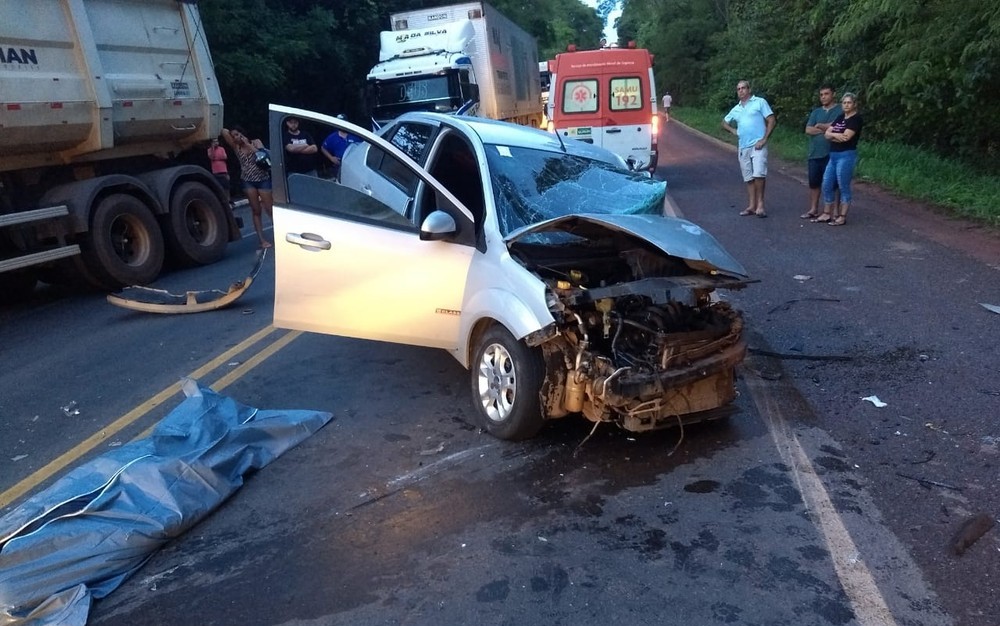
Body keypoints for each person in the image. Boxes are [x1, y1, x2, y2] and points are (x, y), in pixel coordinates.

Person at [722, 80, 776, 218]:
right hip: (743, 146)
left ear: (749, 89)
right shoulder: (736, 108)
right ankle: (751, 205)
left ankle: (760, 205)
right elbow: (724, 122)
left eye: (743, 88)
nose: (741, 91)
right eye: (738, 89)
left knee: (759, 174)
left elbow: (771, 120)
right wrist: (733, 131)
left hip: (758, 145)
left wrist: (764, 139)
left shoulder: (759, 102)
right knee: (748, 177)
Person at [221, 126, 273, 248]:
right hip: (248, 181)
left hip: (263, 178)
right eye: (234, 136)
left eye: (238, 134)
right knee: (256, 210)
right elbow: (223, 131)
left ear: (243, 134)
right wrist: (232, 134)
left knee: (269, 208)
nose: (236, 137)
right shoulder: (236, 147)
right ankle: (261, 240)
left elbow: (262, 154)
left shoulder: (256, 142)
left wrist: (247, 144)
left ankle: (278, 234)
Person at [818, 92, 863, 226]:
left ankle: (842, 216)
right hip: (833, 154)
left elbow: (847, 137)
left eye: (849, 102)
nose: (846, 105)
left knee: (843, 185)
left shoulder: (856, 119)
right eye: (844, 103)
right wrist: (837, 135)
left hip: (846, 154)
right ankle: (827, 213)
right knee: (826, 183)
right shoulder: (840, 117)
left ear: (854, 104)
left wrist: (832, 135)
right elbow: (827, 134)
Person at [801, 84, 842, 220]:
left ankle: (835, 211)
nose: (823, 97)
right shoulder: (816, 112)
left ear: (833, 94)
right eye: (821, 95)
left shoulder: (840, 110)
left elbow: (839, 127)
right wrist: (826, 129)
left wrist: (820, 126)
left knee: (834, 182)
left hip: (832, 152)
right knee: (814, 181)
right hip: (814, 152)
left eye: (826, 94)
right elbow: (808, 130)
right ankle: (813, 209)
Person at [320, 115, 362, 181]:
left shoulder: (354, 135)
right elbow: (323, 148)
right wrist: (331, 158)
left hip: (354, 165)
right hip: (340, 166)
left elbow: (363, 147)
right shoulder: (332, 137)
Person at [206, 137, 231, 205]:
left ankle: (228, 200)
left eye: (217, 141)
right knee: (219, 186)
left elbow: (224, 157)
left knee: (226, 186)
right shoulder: (209, 150)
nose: (216, 143)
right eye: (214, 142)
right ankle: (222, 201)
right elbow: (212, 157)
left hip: (223, 170)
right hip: (216, 171)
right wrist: (213, 149)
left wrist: (217, 158)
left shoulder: (221, 149)